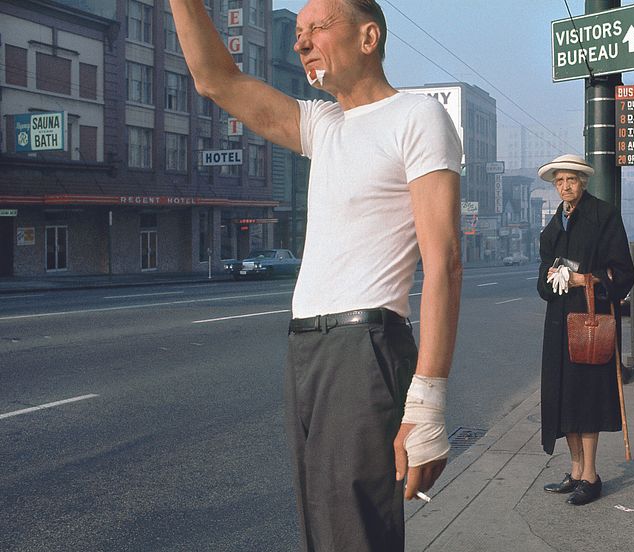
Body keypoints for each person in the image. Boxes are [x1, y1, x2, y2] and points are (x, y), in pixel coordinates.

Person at [169, 1, 463, 550]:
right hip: (307, 348)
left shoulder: (417, 117)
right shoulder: (322, 123)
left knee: (353, 535)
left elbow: (444, 260)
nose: (300, 44)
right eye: (297, 33)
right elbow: (215, 79)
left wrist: (428, 401)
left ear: (369, 36)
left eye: (317, 29)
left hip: (363, 346)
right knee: (324, 532)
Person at [535, 154, 634, 506]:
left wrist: (584, 279)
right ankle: (575, 471)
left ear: (584, 182)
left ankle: (591, 475)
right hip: (558, 326)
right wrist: (552, 281)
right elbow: (542, 280)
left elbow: (623, 273)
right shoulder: (553, 226)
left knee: (587, 397)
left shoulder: (603, 216)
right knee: (564, 396)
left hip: (589, 323)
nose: (565, 187)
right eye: (559, 181)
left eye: (571, 180)